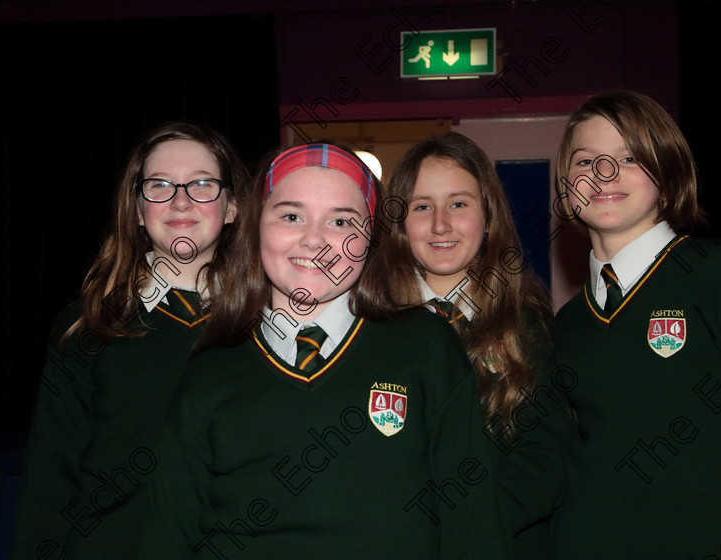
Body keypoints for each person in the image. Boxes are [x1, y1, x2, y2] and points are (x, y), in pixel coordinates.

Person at [135, 142, 509, 559]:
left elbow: (474, 526)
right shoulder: (207, 373)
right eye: (291, 216)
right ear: (257, 226)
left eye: (341, 221)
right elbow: (164, 539)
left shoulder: (426, 347)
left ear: (370, 237)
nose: (314, 240)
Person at [549, 90, 721, 559]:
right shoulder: (567, 324)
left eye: (629, 156)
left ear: (668, 174)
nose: (604, 173)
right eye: (585, 160)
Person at [11, 122, 249, 559]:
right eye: (159, 185)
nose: (180, 200)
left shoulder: (269, 325)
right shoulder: (89, 325)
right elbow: (50, 480)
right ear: (138, 208)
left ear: (232, 206)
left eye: (201, 183)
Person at [367, 132, 576, 558]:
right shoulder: (369, 325)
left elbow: (545, 460)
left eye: (458, 204)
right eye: (422, 206)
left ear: (489, 215)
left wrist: (467, 531)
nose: (440, 224)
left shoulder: (527, 323)